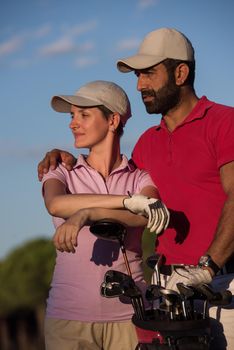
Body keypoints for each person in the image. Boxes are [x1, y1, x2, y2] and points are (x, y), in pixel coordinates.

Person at [38, 28, 234, 349]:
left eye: (149, 74)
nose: (141, 84)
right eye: (138, 76)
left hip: (223, 282)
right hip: (167, 292)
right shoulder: (146, 145)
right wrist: (62, 156)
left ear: (181, 73)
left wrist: (208, 266)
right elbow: (132, 200)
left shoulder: (225, 121)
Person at [41, 80, 169, 350]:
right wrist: (126, 201)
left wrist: (88, 213)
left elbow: (147, 215)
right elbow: (56, 204)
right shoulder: (61, 171)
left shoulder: (140, 177)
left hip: (132, 317)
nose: (73, 123)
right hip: (68, 320)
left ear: (112, 120)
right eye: (72, 116)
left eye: (84, 115)